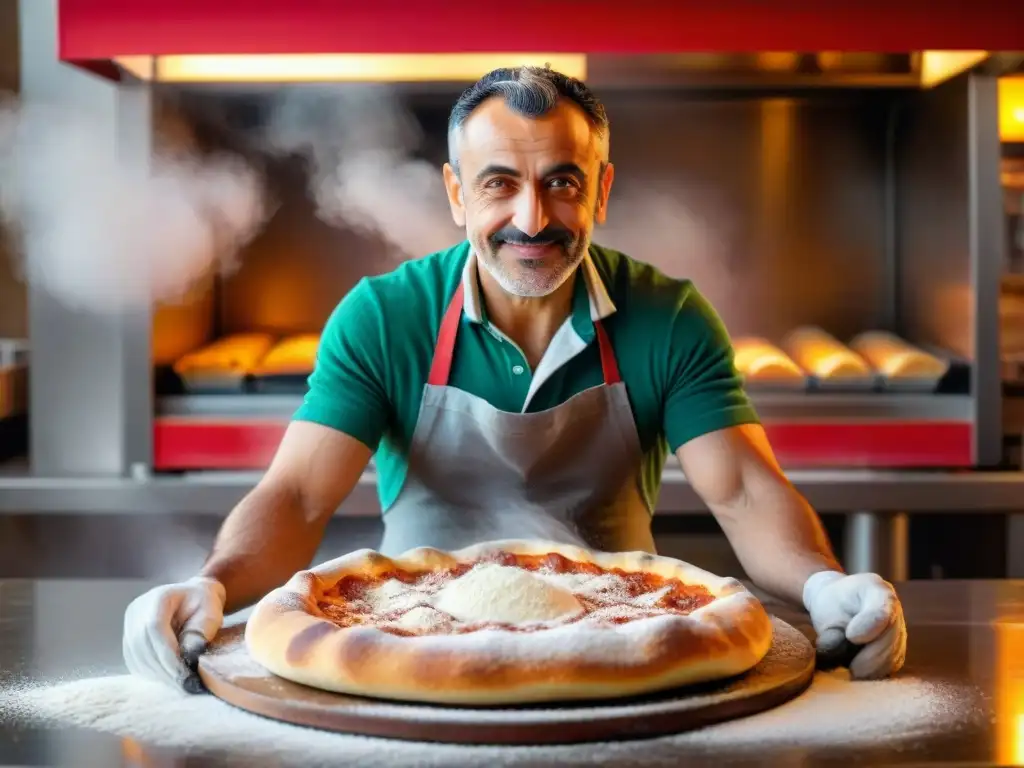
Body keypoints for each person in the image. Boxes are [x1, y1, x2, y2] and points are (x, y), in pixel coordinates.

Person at [123, 66, 907, 692]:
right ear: (458, 193)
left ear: (600, 190)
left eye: (562, 182)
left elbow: (742, 489)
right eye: (499, 183)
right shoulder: (385, 316)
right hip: (405, 637)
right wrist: (214, 584)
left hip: (622, 642)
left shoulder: (667, 316)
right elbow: (295, 497)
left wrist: (824, 587)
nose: (532, 217)